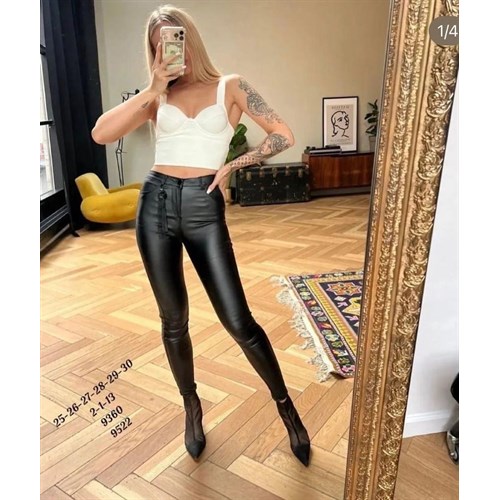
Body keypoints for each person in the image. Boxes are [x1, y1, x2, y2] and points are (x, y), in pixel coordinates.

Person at [91, 4, 310, 467]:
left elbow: (283, 134)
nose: (171, 52)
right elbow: (100, 134)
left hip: (202, 205)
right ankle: (191, 407)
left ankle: (286, 407)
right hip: (155, 203)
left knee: (239, 320)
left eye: (175, 41)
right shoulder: (156, 97)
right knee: (173, 321)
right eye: (159, 47)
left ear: (190, 38)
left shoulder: (231, 85)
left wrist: (232, 165)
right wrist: (153, 88)